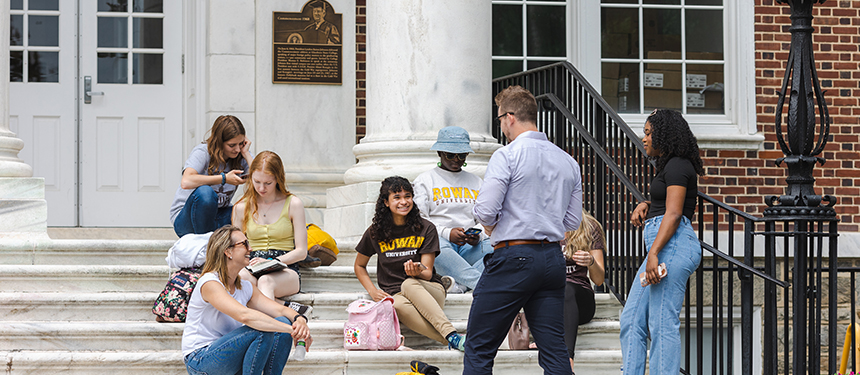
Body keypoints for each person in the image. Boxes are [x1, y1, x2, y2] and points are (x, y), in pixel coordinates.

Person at [466, 85, 583, 374]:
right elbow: (571, 222)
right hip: (552, 260)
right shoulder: (568, 161)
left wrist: (493, 228)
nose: (501, 126)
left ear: (510, 117)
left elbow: (484, 210)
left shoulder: (507, 155)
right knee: (554, 350)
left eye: (499, 119)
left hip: (514, 257)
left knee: (479, 347)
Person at [620, 109, 704, 374]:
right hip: (663, 245)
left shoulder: (679, 164)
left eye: (648, 133)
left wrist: (654, 252)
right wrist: (646, 204)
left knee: (661, 323)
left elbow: (675, 213)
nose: (643, 139)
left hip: (672, 245)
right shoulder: (670, 166)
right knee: (631, 319)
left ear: (664, 135)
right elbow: (668, 205)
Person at [353, 176, 466, 351]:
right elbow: (359, 265)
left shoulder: (426, 228)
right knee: (395, 304)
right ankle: (452, 341)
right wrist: (372, 290)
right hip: (396, 294)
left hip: (430, 290)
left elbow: (427, 273)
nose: (404, 202)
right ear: (386, 202)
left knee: (409, 283)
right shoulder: (375, 232)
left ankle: (450, 333)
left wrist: (417, 271)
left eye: (408, 196)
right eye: (397, 197)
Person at [182, 225, 311, 375]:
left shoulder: (245, 286)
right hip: (201, 359)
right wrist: (293, 331)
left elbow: (280, 309)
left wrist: (299, 320)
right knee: (263, 330)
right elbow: (245, 315)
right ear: (228, 251)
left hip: (229, 355)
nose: (250, 249)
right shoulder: (210, 283)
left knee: (283, 320)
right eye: (244, 244)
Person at [412, 126, 493, 293]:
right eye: (450, 155)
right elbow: (420, 219)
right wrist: (447, 233)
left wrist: (477, 234)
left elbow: (486, 217)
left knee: (497, 253)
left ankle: (460, 286)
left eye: (461, 155)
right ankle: (483, 285)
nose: (456, 159)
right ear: (440, 153)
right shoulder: (425, 180)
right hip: (440, 242)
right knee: (432, 249)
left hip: (470, 245)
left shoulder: (477, 182)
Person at [231, 151, 311, 311]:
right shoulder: (241, 207)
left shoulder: (293, 203)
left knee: (265, 281)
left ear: (277, 179)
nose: (261, 188)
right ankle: (285, 307)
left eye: (268, 183)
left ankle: (271, 331)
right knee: (240, 280)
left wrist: (272, 262)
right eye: (257, 181)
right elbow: (236, 247)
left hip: (285, 267)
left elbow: (301, 251)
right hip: (253, 264)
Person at [531, 211, 606, 374]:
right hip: (549, 302)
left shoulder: (589, 226)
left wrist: (591, 262)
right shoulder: (541, 224)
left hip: (579, 301)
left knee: (566, 288)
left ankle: (566, 361)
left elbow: (599, 280)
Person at [170, 115, 252, 238]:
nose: (237, 149)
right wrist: (224, 178)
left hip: (217, 216)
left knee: (248, 208)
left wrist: (246, 154)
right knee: (205, 192)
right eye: (231, 145)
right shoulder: (203, 152)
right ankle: (207, 246)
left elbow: (262, 177)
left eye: (240, 144)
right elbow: (186, 181)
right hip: (188, 219)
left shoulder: (241, 154)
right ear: (220, 142)